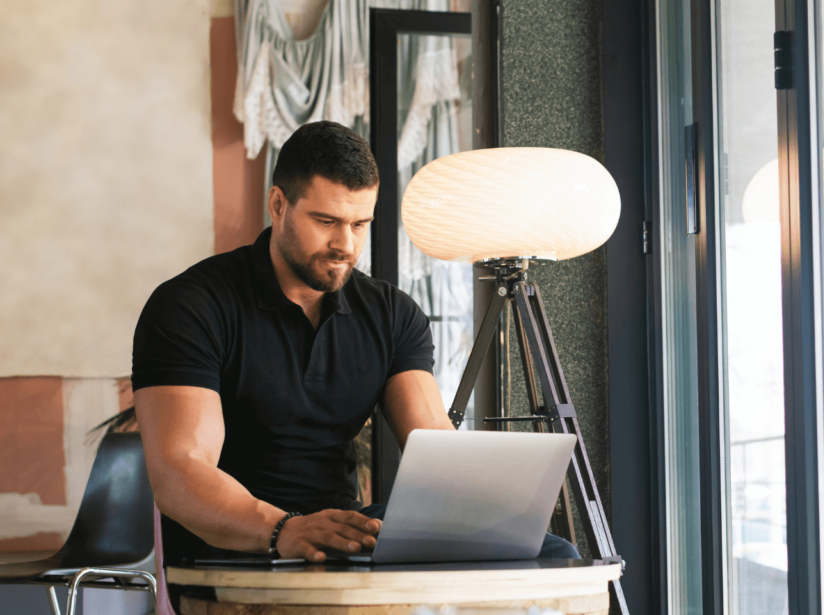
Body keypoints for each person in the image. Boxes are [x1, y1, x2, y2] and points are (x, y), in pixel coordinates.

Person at [133, 121, 578, 564]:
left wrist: (499, 515)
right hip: (235, 541)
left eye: (359, 224)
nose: (345, 244)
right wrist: (282, 529)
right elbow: (180, 470)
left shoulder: (391, 315)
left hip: (342, 533)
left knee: (553, 555)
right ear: (277, 204)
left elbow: (437, 450)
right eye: (326, 221)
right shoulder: (191, 307)